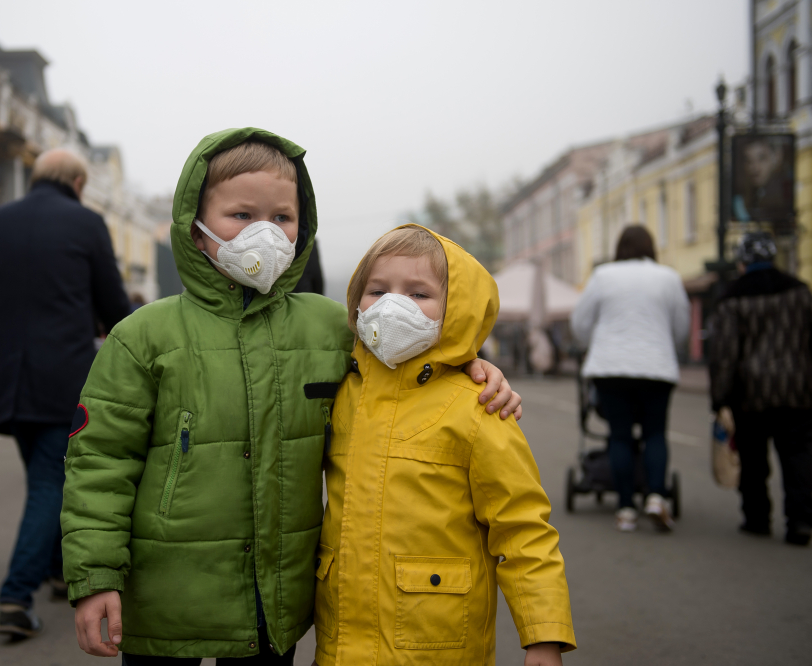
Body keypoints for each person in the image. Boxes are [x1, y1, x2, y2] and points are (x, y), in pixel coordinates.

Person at [60, 129, 522, 664]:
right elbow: (100, 465)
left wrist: (470, 363)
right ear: (196, 227)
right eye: (241, 215)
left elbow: (408, 365)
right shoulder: (143, 336)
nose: (265, 233)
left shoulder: (330, 328)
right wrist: (95, 577)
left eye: (282, 217)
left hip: (273, 604)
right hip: (165, 600)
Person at [313, 226, 574, 666]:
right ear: (356, 302)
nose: (394, 305)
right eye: (377, 290)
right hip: (340, 647)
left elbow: (523, 527)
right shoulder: (340, 392)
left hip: (438, 647)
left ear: (456, 310)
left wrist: (543, 639)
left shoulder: (479, 406)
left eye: (419, 294)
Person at [0, 148, 130, 638]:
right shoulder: (85, 223)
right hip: (61, 375)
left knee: (43, 478)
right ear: (79, 182)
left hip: (7, 378)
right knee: (50, 483)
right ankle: (15, 598)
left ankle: (60, 571)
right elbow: (112, 303)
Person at [570, 225, 690, 532]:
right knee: (655, 434)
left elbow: (580, 322)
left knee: (620, 435)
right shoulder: (669, 277)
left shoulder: (603, 276)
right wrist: (666, 346)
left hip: (611, 368)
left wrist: (592, 343)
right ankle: (655, 497)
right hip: (656, 369)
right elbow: (681, 327)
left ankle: (625, 509)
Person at [708, 232, 812, 546]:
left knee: (753, 460)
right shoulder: (800, 292)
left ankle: (757, 518)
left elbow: (724, 353)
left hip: (749, 395)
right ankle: (801, 521)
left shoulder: (731, 298)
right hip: (797, 391)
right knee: (798, 459)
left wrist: (720, 398)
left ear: (742, 263)